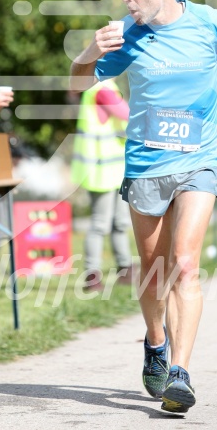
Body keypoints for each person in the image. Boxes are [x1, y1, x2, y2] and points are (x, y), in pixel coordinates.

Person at [70, 0, 217, 413]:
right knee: (154, 273)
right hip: (147, 164)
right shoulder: (125, 35)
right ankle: (154, 342)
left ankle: (180, 374)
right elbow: (77, 89)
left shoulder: (211, 23)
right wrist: (87, 55)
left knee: (185, 264)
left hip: (200, 159)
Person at [71, 80, 135, 292]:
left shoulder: (105, 88)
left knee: (120, 222)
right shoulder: (103, 91)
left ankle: (125, 271)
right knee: (100, 224)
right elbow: (127, 115)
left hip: (114, 169)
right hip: (101, 170)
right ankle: (92, 277)